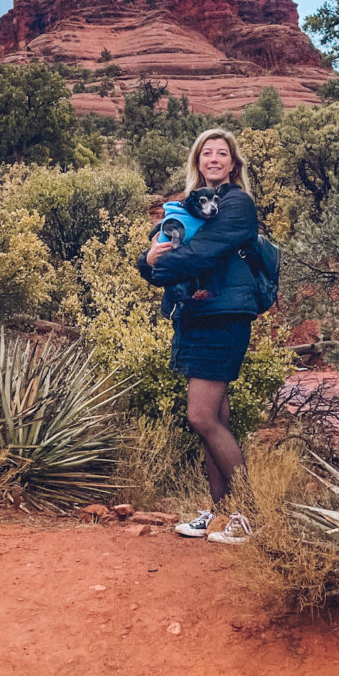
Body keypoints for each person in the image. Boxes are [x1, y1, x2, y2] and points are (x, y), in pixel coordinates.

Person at [137, 127, 261, 544]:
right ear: (197, 161)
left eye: (221, 153)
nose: (213, 159)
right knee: (217, 416)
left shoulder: (238, 204)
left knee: (201, 416)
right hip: (196, 314)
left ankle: (250, 514)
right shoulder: (187, 206)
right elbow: (162, 250)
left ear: (233, 163)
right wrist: (148, 258)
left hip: (223, 316)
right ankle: (219, 513)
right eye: (206, 153)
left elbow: (202, 251)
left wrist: (158, 266)